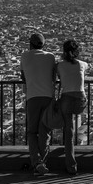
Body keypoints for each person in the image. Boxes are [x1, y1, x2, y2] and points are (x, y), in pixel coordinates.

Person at [20, 33, 56, 176]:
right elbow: (53, 77)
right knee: (44, 132)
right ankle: (42, 162)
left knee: (32, 132)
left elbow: (23, 77)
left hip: (33, 97)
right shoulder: (51, 56)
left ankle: (37, 162)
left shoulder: (25, 56)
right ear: (43, 45)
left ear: (30, 44)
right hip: (48, 97)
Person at [57, 39, 88, 175]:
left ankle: (71, 166)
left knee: (69, 131)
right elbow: (88, 67)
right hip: (80, 101)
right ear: (77, 52)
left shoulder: (59, 65)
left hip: (67, 100)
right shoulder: (82, 64)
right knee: (75, 123)